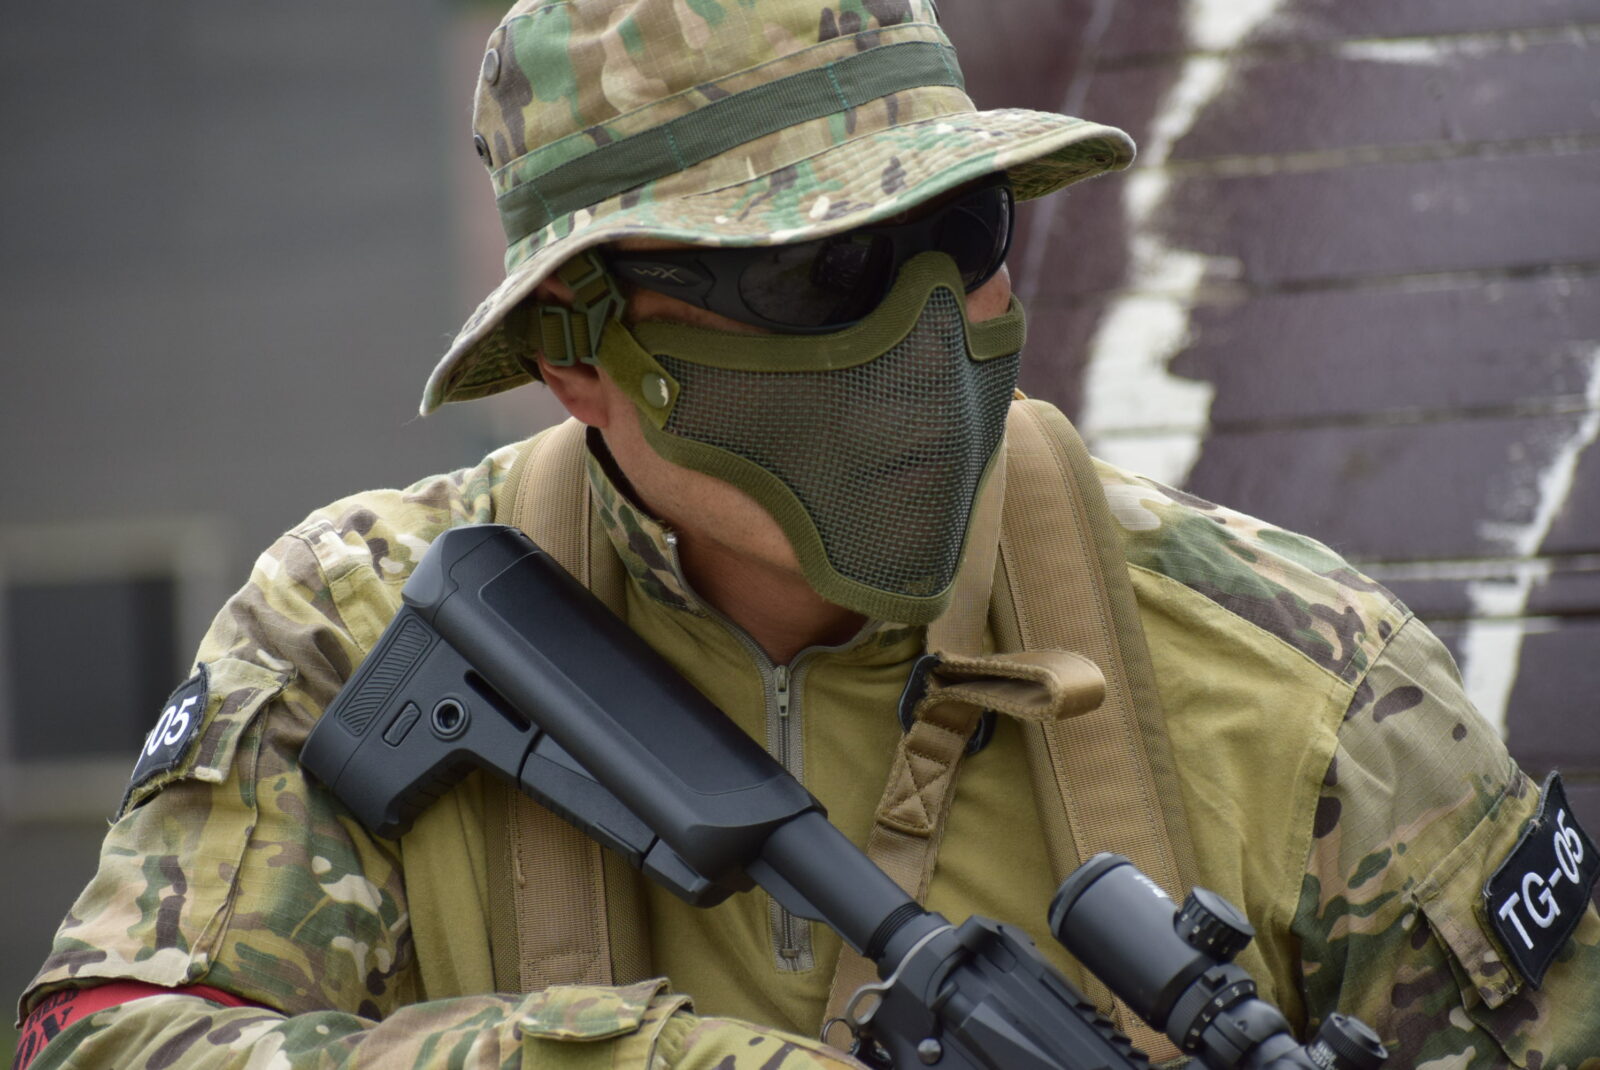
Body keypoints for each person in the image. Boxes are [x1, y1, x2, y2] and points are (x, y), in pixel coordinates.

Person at [16, 1, 1600, 1067]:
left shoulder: (1313, 692)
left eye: (959, 232)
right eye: (816, 274)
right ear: (578, 351)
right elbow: (102, 1034)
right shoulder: (352, 627)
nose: (925, 333)